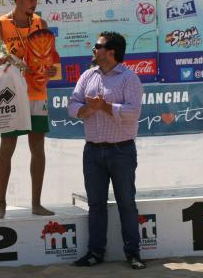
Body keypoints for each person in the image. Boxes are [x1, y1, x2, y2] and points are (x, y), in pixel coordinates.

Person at [67, 31, 146, 270]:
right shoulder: (87, 75)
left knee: (126, 203)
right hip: (92, 151)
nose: (93, 49)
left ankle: (133, 254)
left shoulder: (129, 78)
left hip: (121, 151)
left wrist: (105, 106)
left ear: (110, 52)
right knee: (96, 204)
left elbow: (133, 113)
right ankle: (95, 253)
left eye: (97, 46)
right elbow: (72, 105)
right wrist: (90, 109)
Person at [0, 0, 58, 219]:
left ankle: (36, 204)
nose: (34, 3)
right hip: (11, 95)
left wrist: (51, 70)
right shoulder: (0, 26)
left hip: (37, 92)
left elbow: (52, 60)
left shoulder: (41, 23)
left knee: (37, 147)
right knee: (7, 145)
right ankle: (0, 204)